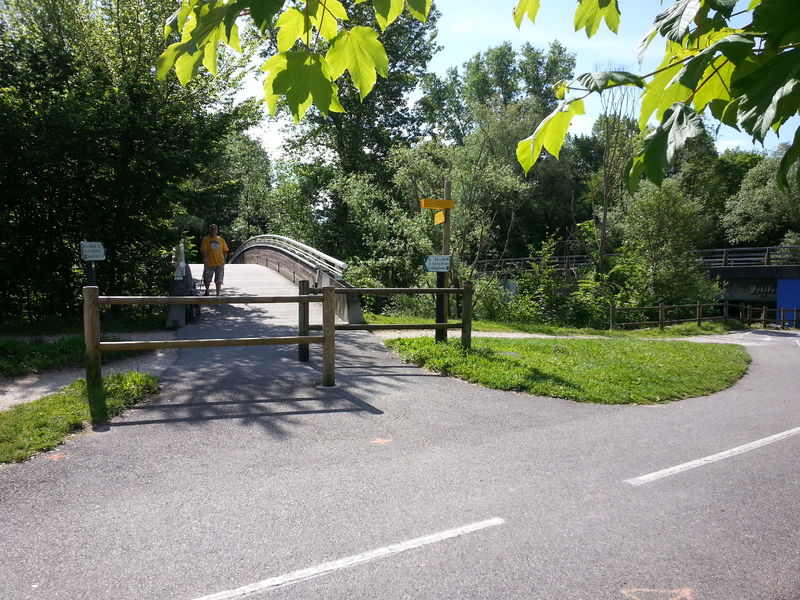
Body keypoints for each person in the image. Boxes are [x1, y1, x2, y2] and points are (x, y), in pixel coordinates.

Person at [200, 224, 228, 296]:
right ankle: (207, 291)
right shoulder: (206, 239)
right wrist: (205, 257)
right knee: (207, 278)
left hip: (219, 262)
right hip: (209, 263)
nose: (213, 231)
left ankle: (218, 293)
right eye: (212, 229)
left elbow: (225, 250)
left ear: (217, 231)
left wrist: (224, 260)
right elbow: (204, 250)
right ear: (209, 230)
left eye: (215, 229)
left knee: (219, 279)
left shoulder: (221, 240)